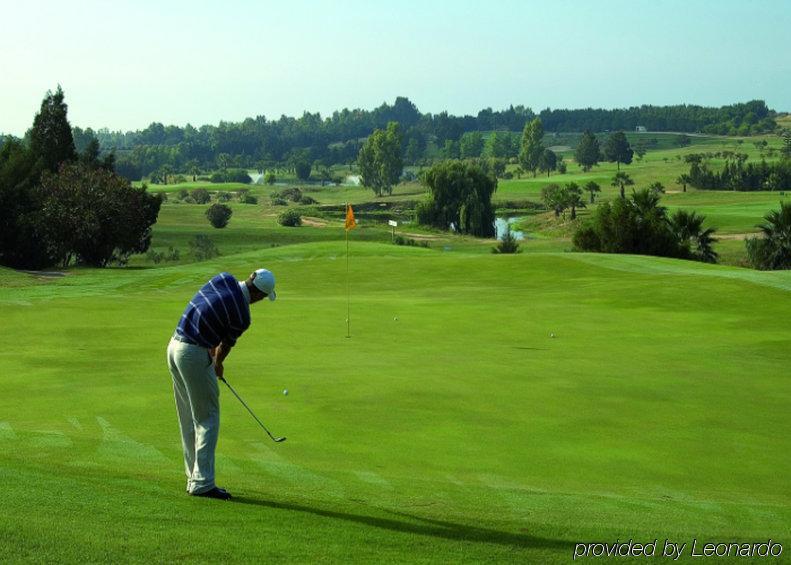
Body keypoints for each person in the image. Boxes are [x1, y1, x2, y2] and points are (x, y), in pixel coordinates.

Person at [166, 269, 276, 499]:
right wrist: (217, 363)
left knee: (188, 416)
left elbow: (207, 309)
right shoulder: (243, 315)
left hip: (174, 346)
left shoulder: (223, 278)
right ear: (258, 296)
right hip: (192, 353)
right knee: (208, 417)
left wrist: (210, 349)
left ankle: (194, 477)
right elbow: (223, 347)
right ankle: (203, 483)